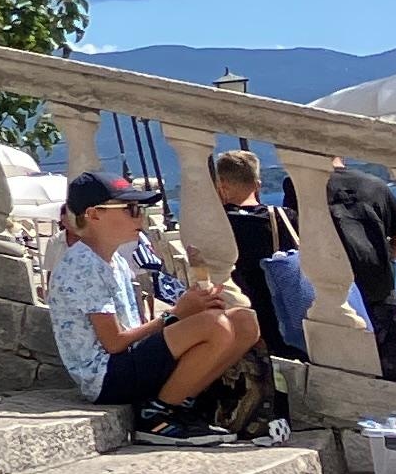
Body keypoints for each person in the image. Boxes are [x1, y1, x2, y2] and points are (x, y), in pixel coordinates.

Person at [46, 172, 264, 441]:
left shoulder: (115, 262)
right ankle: (156, 416)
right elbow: (113, 343)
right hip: (105, 377)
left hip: (126, 362)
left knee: (244, 322)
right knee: (214, 325)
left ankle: (183, 403)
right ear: (94, 214)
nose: (140, 217)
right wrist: (176, 315)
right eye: (130, 209)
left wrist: (188, 311)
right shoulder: (82, 265)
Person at [213, 147, 312, 362]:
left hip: (251, 314)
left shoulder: (220, 225)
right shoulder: (285, 216)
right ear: (258, 184)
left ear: (221, 186)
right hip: (293, 308)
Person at [334, 157, 396, 384]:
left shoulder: (302, 189)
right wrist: (378, 253)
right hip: (379, 288)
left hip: (335, 293)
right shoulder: (374, 185)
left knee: (348, 376)